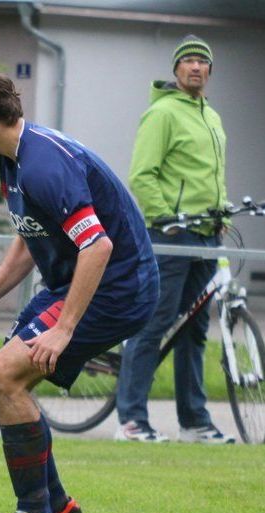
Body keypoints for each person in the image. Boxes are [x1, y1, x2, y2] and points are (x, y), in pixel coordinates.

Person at [0, 65, 159, 513]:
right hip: (80, 284)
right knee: (3, 384)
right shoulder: (13, 156)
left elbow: (97, 246)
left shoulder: (43, 164)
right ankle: (56, 503)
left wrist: (63, 330)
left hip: (117, 289)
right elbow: (29, 236)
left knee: (3, 377)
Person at [115, 35, 236, 444]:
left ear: (211, 71)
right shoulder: (163, 113)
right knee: (155, 324)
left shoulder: (212, 117)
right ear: (176, 69)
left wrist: (223, 208)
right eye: (188, 61)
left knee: (195, 331)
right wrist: (163, 217)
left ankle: (195, 421)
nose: (196, 67)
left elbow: (208, 176)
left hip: (205, 236)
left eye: (203, 61)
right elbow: (142, 174)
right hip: (171, 234)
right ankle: (131, 421)